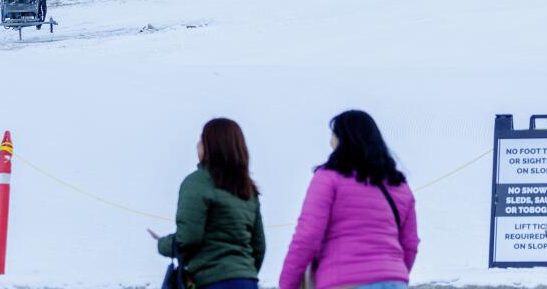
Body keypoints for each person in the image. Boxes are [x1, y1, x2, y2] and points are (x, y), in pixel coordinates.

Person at [278, 111, 419, 289]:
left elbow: (308, 235)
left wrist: (287, 284)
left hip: (344, 280)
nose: (330, 141)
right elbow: (410, 243)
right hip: (394, 281)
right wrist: (392, 273)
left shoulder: (328, 177)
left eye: (333, 134)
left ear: (342, 139)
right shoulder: (399, 185)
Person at [152, 118, 265, 289]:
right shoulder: (248, 189)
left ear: (212, 146)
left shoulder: (197, 182)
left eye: (201, 140)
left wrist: (163, 244)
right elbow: (259, 246)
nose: (197, 145)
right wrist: (242, 272)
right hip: (247, 281)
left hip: (211, 281)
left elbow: (189, 238)